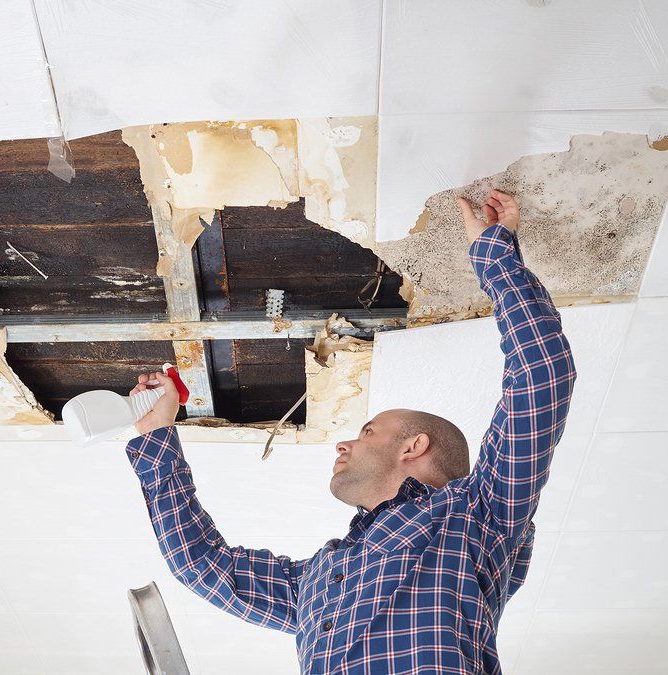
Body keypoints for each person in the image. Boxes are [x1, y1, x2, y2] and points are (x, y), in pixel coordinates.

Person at [124, 190, 576, 674]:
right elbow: (203, 565)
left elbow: (543, 374)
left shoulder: (478, 515)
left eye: (365, 432)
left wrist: (495, 256)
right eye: (366, 430)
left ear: (416, 447)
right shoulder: (321, 579)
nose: (344, 443)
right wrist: (156, 434)